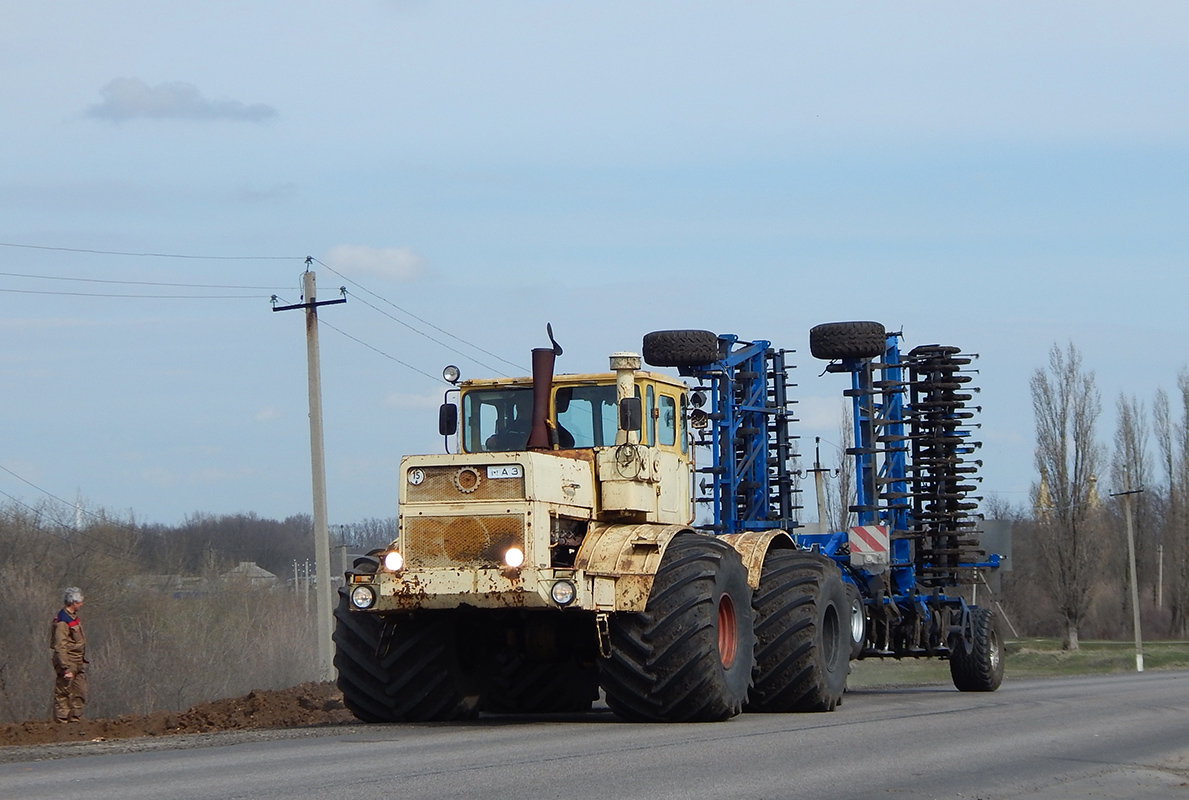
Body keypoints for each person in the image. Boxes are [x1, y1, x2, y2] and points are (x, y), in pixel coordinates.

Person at [50, 587, 88, 723]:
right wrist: (65, 668)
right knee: (63, 693)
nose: (82, 604)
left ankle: (75, 720)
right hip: (68, 661)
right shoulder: (62, 621)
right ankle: (62, 723)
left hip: (78, 661)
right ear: (73, 602)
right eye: (80, 602)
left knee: (80, 692)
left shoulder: (73, 618)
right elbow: (60, 646)